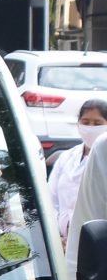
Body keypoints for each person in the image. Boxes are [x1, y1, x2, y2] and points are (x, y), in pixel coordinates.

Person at [49, 99, 107, 251]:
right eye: (86, 122)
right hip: (61, 244)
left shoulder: (103, 159)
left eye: (97, 123)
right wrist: (56, 237)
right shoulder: (67, 157)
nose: (90, 128)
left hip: (95, 247)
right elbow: (51, 200)